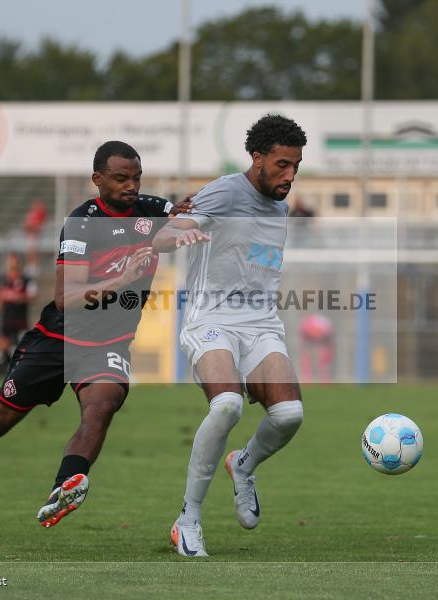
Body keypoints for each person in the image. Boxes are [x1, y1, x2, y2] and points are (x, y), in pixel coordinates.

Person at [0, 141, 191, 530]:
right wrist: (122, 279)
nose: (131, 186)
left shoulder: (151, 209)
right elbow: (67, 299)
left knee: (102, 405)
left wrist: (192, 217)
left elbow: (187, 219)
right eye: (121, 178)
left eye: (136, 177)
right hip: (58, 340)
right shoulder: (81, 223)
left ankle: (63, 487)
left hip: (108, 344)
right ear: (97, 179)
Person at [153, 114, 307, 557]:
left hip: (260, 324)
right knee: (227, 405)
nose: (289, 175)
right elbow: (163, 238)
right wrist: (179, 234)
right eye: (281, 165)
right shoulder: (224, 192)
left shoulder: (280, 207)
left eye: (295, 166)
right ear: (257, 158)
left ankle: (243, 464)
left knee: (290, 415)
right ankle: (188, 520)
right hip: (210, 319)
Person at [0, 252, 38, 363]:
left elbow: (32, 297)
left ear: (18, 263)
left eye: (13, 261)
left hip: (20, 318)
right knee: (2, 344)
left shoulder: (26, 280)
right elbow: (0, 295)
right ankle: (9, 364)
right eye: (9, 261)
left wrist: (17, 297)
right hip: (6, 318)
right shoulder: (3, 279)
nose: (11, 264)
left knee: (23, 346)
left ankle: (18, 365)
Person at [298, 313, 334, 383]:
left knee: (324, 361)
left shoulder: (325, 328)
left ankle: (325, 379)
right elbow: (304, 344)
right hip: (309, 337)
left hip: (324, 338)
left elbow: (328, 346)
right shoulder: (307, 327)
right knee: (306, 360)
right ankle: (306, 379)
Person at [23, 198, 49, 274]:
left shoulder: (41, 214)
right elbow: (26, 225)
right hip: (30, 235)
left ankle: (34, 266)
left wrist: (31, 228)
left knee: (34, 251)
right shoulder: (31, 214)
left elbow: (38, 227)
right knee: (29, 251)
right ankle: (30, 266)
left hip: (36, 236)